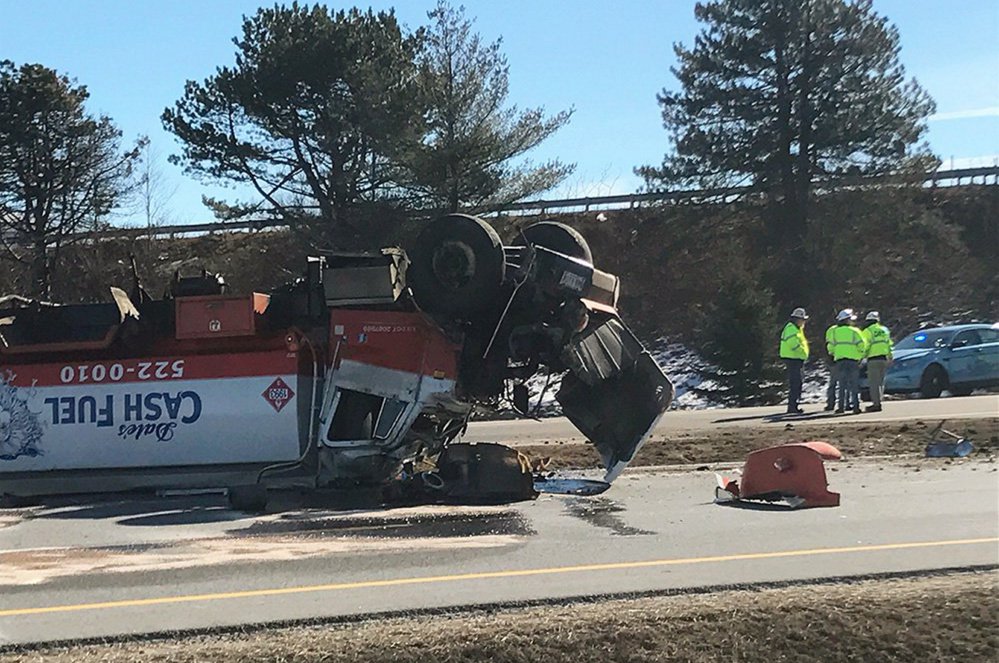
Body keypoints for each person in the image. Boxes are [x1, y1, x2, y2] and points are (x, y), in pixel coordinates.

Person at [829, 309, 868, 414]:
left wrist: (835, 354)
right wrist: (860, 356)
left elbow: (830, 346)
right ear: (847, 320)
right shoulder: (855, 331)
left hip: (840, 361)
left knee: (842, 385)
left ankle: (840, 407)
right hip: (853, 361)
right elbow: (862, 346)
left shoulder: (835, 332)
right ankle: (856, 407)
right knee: (854, 385)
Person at [779, 307, 810, 414]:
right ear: (797, 319)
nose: (804, 322)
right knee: (795, 383)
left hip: (796, 359)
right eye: (803, 319)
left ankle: (794, 406)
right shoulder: (791, 329)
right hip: (793, 359)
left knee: (797, 383)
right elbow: (793, 344)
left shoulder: (796, 328)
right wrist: (802, 353)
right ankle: (792, 407)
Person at [862, 311, 893, 412]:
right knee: (880, 382)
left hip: (873, 359)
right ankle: (879, 400)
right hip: (883, 359)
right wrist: (890, 356)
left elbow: (865, 346)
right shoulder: (884, 330)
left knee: (874, 383)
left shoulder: (867, 331)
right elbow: (889, 344)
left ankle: (876, 404)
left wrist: (862, 357)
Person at [824, 314, 840, 411]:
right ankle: (846, 403)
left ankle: (830, 403)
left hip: (833, 358)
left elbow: (828, 344)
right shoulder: (850, 330)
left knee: (833, 383)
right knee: (845, 383)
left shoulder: (831, 330)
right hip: (839, 358)